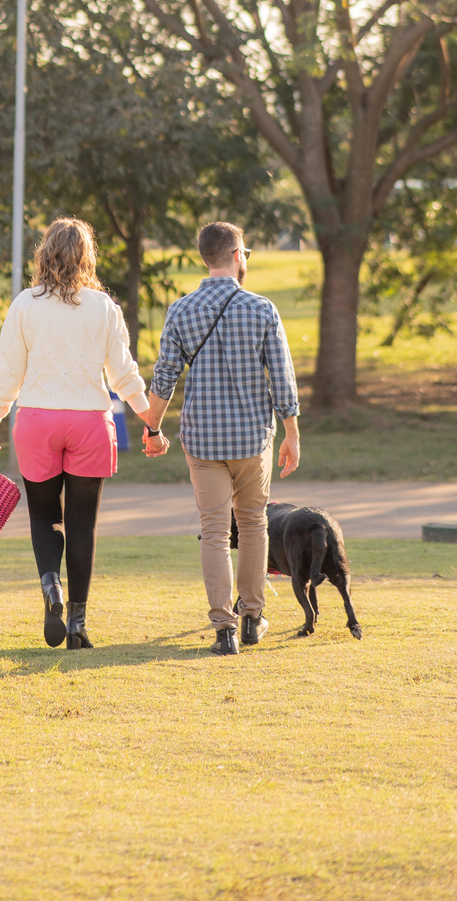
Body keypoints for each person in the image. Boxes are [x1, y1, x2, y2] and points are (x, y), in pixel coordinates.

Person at [0, 216, 149, 650]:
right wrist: (151, 421)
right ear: (86, 257)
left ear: (44, 253)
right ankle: (77, 624)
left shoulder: (25, 304)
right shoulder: (103, 307)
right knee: (81, 524)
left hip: (37, 421)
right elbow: (123, 374)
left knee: (42, 517)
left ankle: (50, 583)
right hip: (90, 422)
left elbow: (9, 375)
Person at [139, 220, 300, 655]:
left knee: (213, 531)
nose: (245, 259)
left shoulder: (180, 310)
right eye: (244, 252)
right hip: (251, 439)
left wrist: (152, 430)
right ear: (234, 255)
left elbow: (165, 377)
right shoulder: (262, 308)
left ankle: (223, 630)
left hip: (203, 441)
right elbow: (282, 378)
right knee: (252, 524)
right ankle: (252, 617)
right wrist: (292, 433)